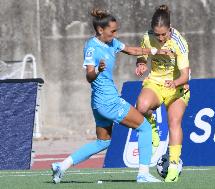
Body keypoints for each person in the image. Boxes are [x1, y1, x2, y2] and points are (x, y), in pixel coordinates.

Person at [51, 8, 173, 184]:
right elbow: (89, 76)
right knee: (145, 128)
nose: (115, 34)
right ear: (101, 30)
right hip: (108, 101)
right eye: (113, 31)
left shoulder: (112, 43)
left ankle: (61, 166)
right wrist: (98, 70)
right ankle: (143, 174)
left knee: (103, 142)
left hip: (99, 104)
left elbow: (131, 50)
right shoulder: (92, 48)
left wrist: (157, 51)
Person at [135, 5, 191, 182]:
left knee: (174, 122)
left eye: (163, 34)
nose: (160, 38)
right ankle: (153, 128)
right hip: (155, 82)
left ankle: (173, 166)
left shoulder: (179, 42)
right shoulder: (147, 37)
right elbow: (142, 56)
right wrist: (141, 64)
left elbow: (185, 75)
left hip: (177, 86)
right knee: (141, 107)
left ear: (170, 28)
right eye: (157, 34)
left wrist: (175, 83)